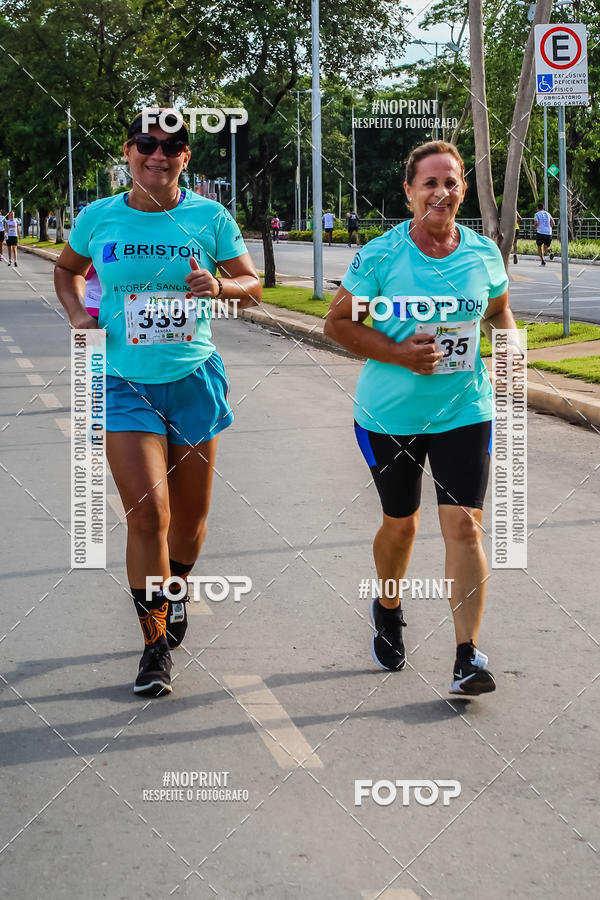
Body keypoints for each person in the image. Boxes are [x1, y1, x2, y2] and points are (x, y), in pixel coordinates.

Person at [54, 109, 262, 696]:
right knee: (149, 514)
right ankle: (153, 649)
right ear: (128, 150)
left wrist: (220, 287)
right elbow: (68, 271)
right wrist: (77, 315)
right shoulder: (99, 217)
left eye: (171, 147)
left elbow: (252, 287)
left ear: (185, 158)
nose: (157, 154)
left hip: (193, 378)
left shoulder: (209, 217)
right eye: (146, 143)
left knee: (190, 523)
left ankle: (176, 587)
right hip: (123, 381)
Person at [325, 140, 522, 697]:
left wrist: (509, 361)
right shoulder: (382, 256)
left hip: (464, 408)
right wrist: (400, 353)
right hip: (390, 415)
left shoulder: (483, 254)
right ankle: (388, 604)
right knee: (402, 523)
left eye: (452, 181)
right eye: (430, 183)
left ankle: (468, 655)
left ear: (463, 190)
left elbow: (500, 309)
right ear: (409, 192)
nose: (442, 192)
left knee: (463, 524)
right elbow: (337, 324)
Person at [534, 201, 555, 266]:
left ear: (538, 208)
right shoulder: (548, 214)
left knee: (539, 247)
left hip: (540, 232)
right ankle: (549, 251)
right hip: (548, 232)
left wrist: (536, 227)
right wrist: (549, 228)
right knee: (546, 247)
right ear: (543, 208)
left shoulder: (537, 214)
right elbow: (553, 223)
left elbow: (536, 223)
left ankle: (542, 261)